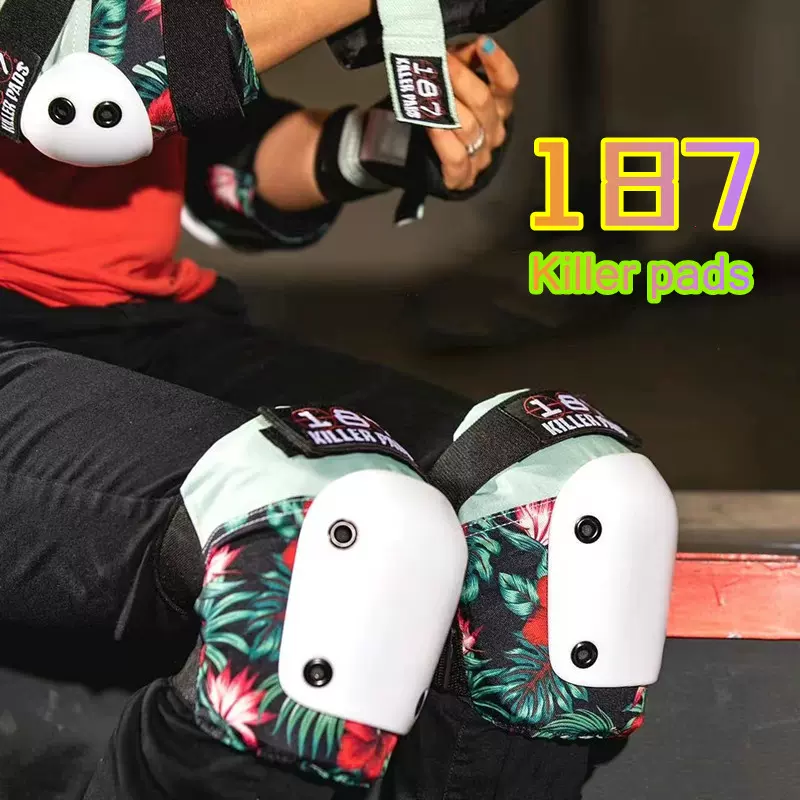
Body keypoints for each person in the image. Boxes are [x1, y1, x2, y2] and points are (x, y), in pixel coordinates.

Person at [0, 6, 595, 798]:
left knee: (545, 499)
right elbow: (87, 85)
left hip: (133, 321)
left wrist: (385, 142)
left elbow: (218, 172)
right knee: (315, 521)